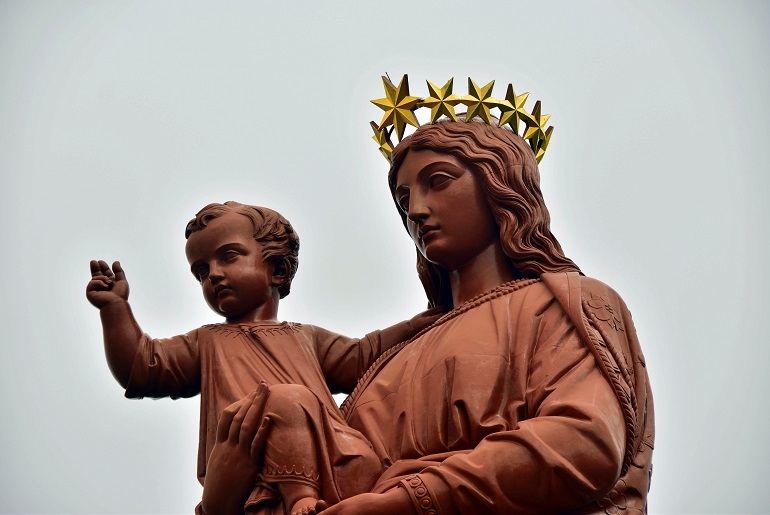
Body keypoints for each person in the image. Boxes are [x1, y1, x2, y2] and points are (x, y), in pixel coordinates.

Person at [204, 118, 654, 514]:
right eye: (403, 201)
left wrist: (404, 500)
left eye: (437, 181)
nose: (416, 210)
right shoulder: (389, 362)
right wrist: (221, 499)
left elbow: (585, 444)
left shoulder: (561, 302)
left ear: (500, 184)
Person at [86, 202, 439, 515]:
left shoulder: (304, 337)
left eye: (228, 256)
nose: (215, 275)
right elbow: (141, 368)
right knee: (284, 398)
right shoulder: (208, 341)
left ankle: (303, 493)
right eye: (202, 271)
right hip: (251, 479)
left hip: (331, 459)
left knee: (294, 402)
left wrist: (423, 322)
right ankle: (297, 494)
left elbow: (365, 354)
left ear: (278, 270)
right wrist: (115, 309)